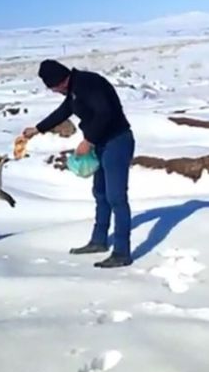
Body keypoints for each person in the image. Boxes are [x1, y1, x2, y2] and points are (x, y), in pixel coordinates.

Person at [23, 59, 135, 268]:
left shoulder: (88, 83)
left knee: (116, 197)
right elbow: (63, 111)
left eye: (53, 88)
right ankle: (99, 241)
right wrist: (38, 129)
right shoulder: (74, 88)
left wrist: (88, 140)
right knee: (100, 194)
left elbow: (104, 112)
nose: (55, 92)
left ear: (60, 81)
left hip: (117, 141)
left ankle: (122, 252)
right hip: (101, 144)